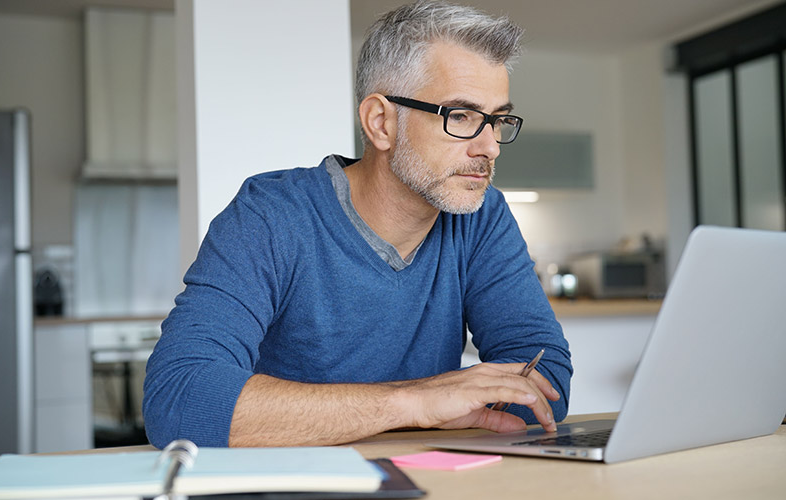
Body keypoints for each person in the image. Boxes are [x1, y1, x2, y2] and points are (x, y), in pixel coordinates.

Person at [143, 0, 572, 449]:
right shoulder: (270, 216)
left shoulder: (481, 217)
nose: (490, 147)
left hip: (430, 482)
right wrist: (414, 403)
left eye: (497, 119)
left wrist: (441, 407)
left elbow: (544, 378)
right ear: (380, 122)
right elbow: (179, 400)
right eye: (461, 116)